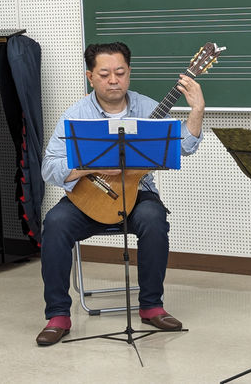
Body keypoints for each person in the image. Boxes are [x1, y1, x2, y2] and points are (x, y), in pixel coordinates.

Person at [36, 42, 205, 345]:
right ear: (91, 77)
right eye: (104, 74)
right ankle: (58, 314)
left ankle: (151, 305)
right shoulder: (76, 114)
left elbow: (183, 147)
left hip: (137, 193)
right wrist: (89, 165)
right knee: (55, 222)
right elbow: (49, 168)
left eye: (120, 72)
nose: (113, 80)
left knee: (154, 218)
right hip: (88, 195)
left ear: (129, 73)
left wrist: (197, 111)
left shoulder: (148, 108)